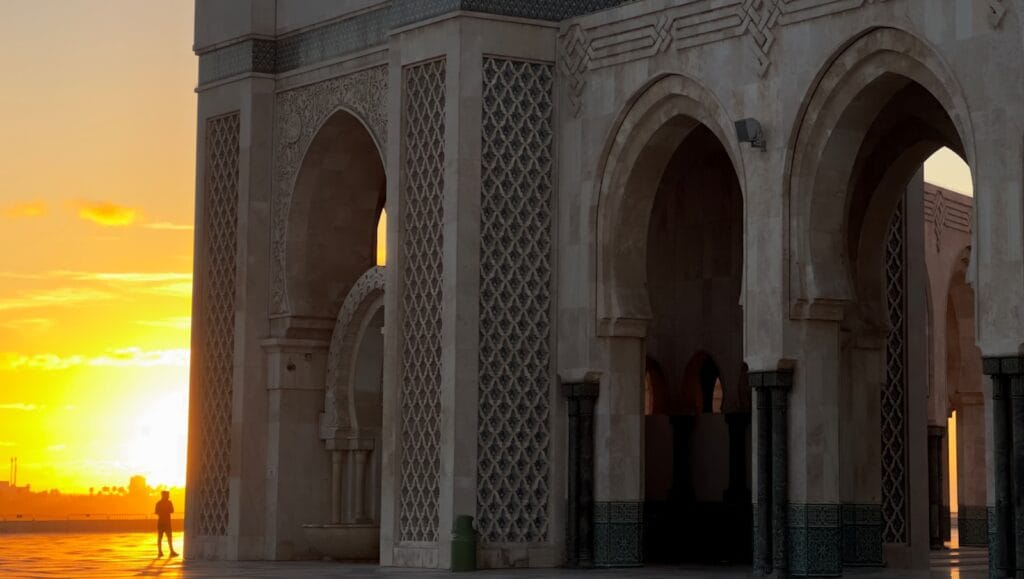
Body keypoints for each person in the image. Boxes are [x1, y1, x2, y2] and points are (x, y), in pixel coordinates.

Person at [154, 491, 178, 557]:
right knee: (168, 538)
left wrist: (162, 511)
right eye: (167, 495)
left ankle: (160, 552)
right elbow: (172, 511)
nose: (168, 496)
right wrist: (166, 510)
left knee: (161, 538)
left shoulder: (158, 503)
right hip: (166, 522)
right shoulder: (169, 503)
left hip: (161, 522)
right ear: (164, 495)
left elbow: (156, 512)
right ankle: (170, 551)